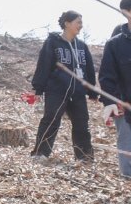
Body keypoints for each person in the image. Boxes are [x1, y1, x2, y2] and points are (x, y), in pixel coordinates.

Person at [30, 10, 97, 162]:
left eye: (81, 22)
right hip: (56, 90)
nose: (81, 26)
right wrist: (38, 88)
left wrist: (92, 91)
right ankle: (40, 154)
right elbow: (44, 65)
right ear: (67, 23)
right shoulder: (52, 43)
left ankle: (84, 157)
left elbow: (89, 70)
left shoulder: (82, 46)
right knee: (51, 120)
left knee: (82, 123)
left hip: (78, 92)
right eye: (78, 22)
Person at [99, 0, 131, 178]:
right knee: (127, 144)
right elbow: (106, 76)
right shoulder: (115, 44)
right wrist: (111, 101)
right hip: (124, 105)